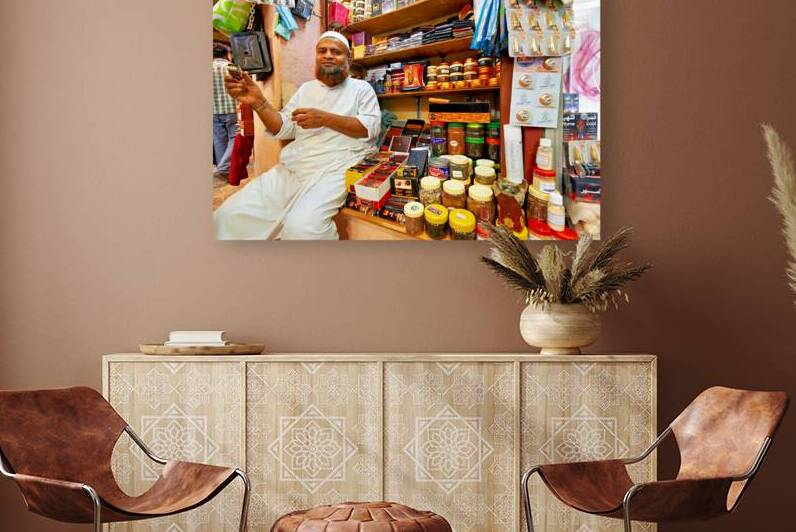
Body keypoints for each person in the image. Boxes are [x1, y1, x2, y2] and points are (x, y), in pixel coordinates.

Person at [214, 31, 381, 240]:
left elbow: (370, 128)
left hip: (338, 167)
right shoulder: (306, 90)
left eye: (336, 52)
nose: (328, 55)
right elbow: (284, 127)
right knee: (227, 215)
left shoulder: (362, 89)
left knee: (302, 230)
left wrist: (325, 119)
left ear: (349, 58)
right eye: (322, 51)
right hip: (297, 165)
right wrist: (259, 103)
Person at [212, 43, 239, 179]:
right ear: (227, 54)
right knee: (235, 137)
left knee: (219, 139)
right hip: (232, 109)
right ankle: (224, 167)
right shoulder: (231, 67)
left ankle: (223, 168)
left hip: (213, 111)